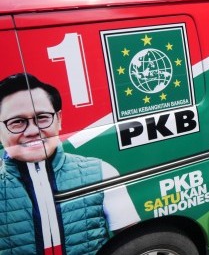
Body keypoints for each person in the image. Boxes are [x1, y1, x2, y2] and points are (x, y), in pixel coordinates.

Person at [0, 73, 140, 254]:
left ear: (59, 119)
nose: (33, 130)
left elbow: (132, 244)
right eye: (17, 122)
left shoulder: (101, 172)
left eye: (42, 117)